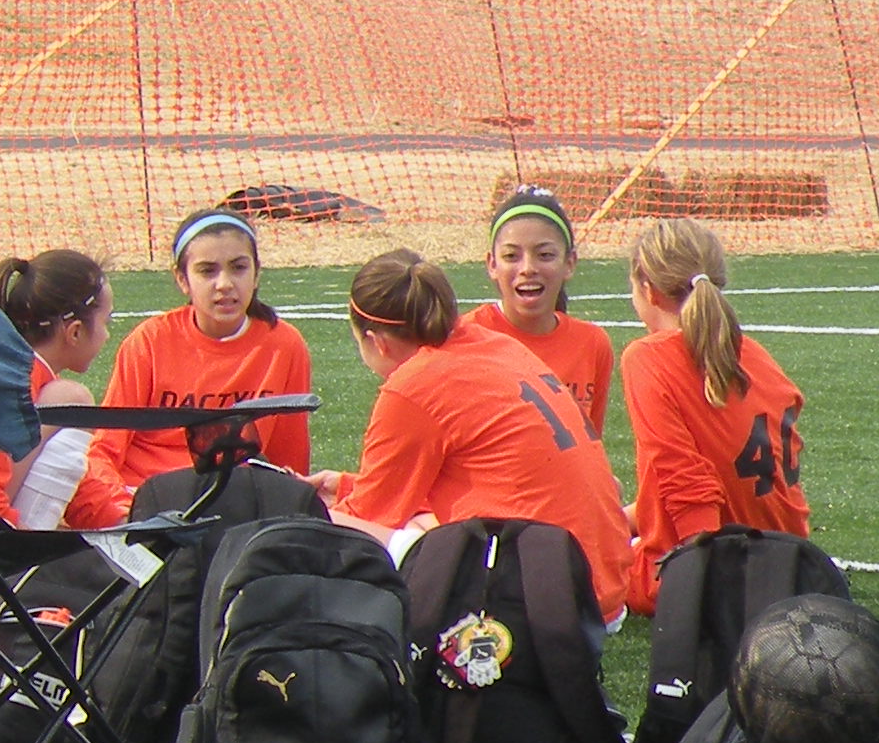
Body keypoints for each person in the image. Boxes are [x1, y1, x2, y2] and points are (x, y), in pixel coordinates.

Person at [319, 248, 639, 622]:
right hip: (602, 592)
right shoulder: (496, 342)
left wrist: (306, 508)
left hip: (539, 609)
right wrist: (346, 485)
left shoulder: (412, 385)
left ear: (378, 342)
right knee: (422, 526)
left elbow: (367, 520)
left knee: (325, 529)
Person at [619, 217, 810, 612]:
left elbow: (686, 480)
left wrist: (705, 577)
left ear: (648, 289)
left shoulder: (648, 357)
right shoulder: (753, 352)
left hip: (714, 567)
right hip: (791, 564)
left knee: (563, 562)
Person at [87, 208, 315, 490]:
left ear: (257, 273)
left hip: (232, 494)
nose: (225, 284)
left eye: (238, 268)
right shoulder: (149, 341)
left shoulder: (284, 345)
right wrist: (120, 508)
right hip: (146, 493)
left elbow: (289, 457)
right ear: (182, 279)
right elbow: (107, 446)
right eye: (207, 271)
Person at [0, 250, 136, 531]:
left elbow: (80, 482)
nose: (107, 335)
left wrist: (125, 525)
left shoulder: (27, 375)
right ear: (75, 332)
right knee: (71, 399)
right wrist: (24, 541)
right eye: (107, 322)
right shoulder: (4, 381)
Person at [463, 186, 615, 440]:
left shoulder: (592, 343)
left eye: (544, 255)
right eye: (511, 256)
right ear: (492, 264)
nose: (528, 268)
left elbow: (590, 444)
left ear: (569, 263)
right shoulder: (464, 339)